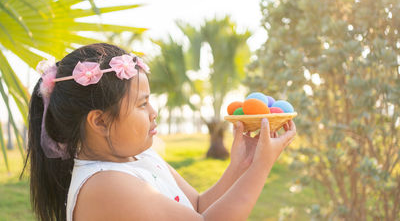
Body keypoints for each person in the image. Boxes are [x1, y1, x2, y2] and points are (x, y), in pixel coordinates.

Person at [23, 43, 297, 221]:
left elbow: (199, 207)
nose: (154, 112)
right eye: (142, 104)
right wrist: (262, 166)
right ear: (100, 122)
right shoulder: (103, 184)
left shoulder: (139, 158)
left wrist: (242, 164)